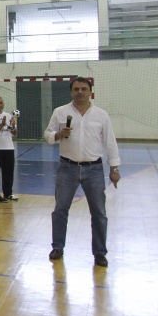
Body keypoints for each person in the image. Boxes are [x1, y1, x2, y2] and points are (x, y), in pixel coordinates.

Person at [44, 77, 121, 267]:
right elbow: (47, 135)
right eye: (76, 89)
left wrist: (114, 168)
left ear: (90, 92)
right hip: (67, 169)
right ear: (71, 92)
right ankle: (58, 247)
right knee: (60, 210)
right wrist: (57, 135)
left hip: (94, 169)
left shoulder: (101, 115)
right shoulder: (60, 112)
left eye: (84, 89)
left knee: (99, 213)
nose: (80, 92)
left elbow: (110, 142)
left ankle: (100, 252)